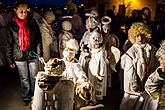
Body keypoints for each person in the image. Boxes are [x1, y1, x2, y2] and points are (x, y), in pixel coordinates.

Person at [6, 1, 43, 105]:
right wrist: (9, 60)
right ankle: (26, 96)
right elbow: (8, 43)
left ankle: (35, 95)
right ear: (16, 11)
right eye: (21, 12)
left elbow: (38, 40)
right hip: (19, 55)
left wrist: (40, 54)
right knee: (24, 79)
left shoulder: (32, 22)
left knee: (34, 76)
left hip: (32, 54)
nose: (23, 14)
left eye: (25, 12)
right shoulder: (11, 25)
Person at [120, 22, 158, 110]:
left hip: (147, 83)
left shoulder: (152, 49)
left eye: (142, 35)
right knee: (130, 104)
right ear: (133, 37)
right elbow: (129, 71)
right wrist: (134, 84)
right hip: (135, 85)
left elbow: (156, 65)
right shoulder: (131, 51)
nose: (140, 38)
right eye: (137, 36)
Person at [143, 40, 165, 110]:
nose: (159, 60)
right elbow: (149, 87)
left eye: (161, 58)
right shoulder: (159, 72)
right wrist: (162, 73)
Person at [88, 29, 108, 103]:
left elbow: (102, 64)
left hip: (97, 73)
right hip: (92, 72)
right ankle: (91, 98)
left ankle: (94, 99)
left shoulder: (101, 53)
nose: (93, 45)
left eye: (95, 44)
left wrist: (101, 74)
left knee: (96, 86)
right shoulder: (93, 51)